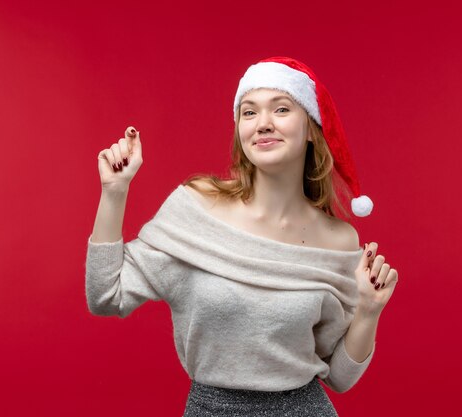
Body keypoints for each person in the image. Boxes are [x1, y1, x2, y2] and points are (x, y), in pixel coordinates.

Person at [85, 56, 399, 416]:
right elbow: (106, 295)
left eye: (281, 109)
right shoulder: (197, 208)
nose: (263, 124)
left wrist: (369, 310)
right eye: (249, 113)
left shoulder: (339, 239)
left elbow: (340, 376)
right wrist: (114, 192)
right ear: (239, 129)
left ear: (312, 128)